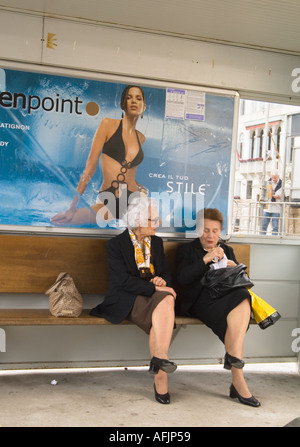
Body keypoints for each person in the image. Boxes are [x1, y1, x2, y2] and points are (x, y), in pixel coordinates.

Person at [90, 197, 177, 404]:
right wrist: (154, 287)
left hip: (153, 297)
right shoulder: (116, 245)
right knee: (165, 301)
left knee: (165, 300)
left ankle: (160, 362)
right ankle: (161, 372)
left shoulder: (156, 241)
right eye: (152, 219)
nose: (158, 223)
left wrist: (161, 279)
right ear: (137, 220)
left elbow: (166, 273)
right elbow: (121, 281)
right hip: (126, 298)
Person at [176, 208, 260, 407]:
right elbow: (182, 280)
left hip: (223, 297)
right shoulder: (186, 250)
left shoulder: (227, 249)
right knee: (237, 314)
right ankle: (238, 379)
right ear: (198, 230)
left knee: (242, 296)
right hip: (198, 300)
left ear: (220, 231)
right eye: (206, 230)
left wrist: (232, 265)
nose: (210, 235)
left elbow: (240, 281)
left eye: (215, 231)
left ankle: (233, 362)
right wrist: (205, 259)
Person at [51, 85, 147, 225]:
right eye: (129, 97)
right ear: (123, 103)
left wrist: (140, 187)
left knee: (159, 227)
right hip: (109, 197)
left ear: (143, 107)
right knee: (62, 221)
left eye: (138, 98)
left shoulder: (141, 137)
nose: (133, 101)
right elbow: (90, 167)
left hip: (134, 199)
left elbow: (130, 172)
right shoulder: (107, 124)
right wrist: (72, 207)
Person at [261, 170, 282, 235]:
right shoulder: (267, 183)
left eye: (275, 178)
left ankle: (274, 238)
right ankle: (262, 238)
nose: (273, 179)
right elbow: (262, 194)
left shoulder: (282, 184)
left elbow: (285, 196)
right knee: (264, 225)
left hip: (276, 209)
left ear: (278, 176)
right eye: (272, 177)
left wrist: (278, 196)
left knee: (275, 226)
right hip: (267, 208)